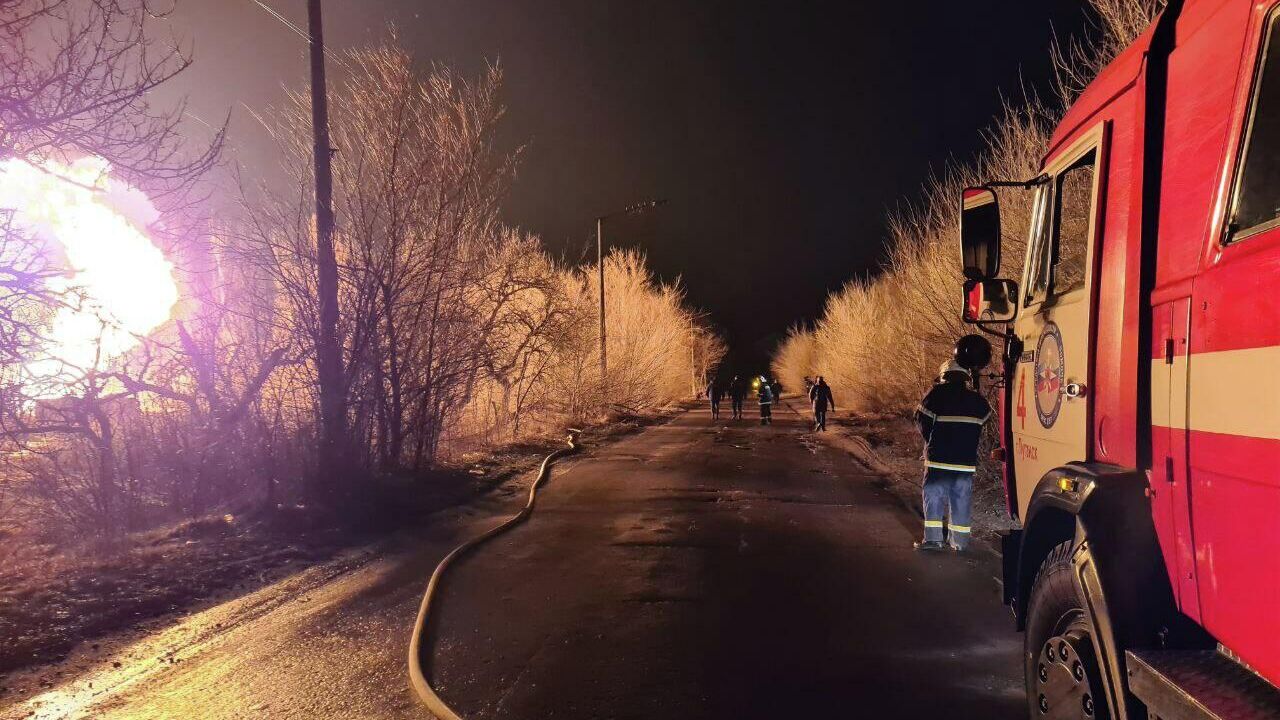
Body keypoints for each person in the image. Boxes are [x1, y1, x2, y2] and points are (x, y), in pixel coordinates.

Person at [913, 359, 991, 552]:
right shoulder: (976, 400)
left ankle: (933, 541)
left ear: (944, 376)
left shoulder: (936, 395)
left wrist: (931, 441)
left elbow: (921, 421)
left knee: (934, 498)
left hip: (939, 459)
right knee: (961, 500)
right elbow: (985, 417)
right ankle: (960, 543)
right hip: (964, 462)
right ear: (965, 377)